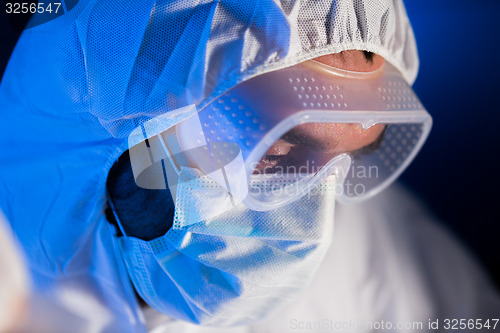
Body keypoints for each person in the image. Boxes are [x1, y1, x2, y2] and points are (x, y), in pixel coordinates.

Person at [0, 1, 498, 332]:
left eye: (346, 160)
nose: (314, 229)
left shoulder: (388, 259)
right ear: (119, 131)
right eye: (275, 152)